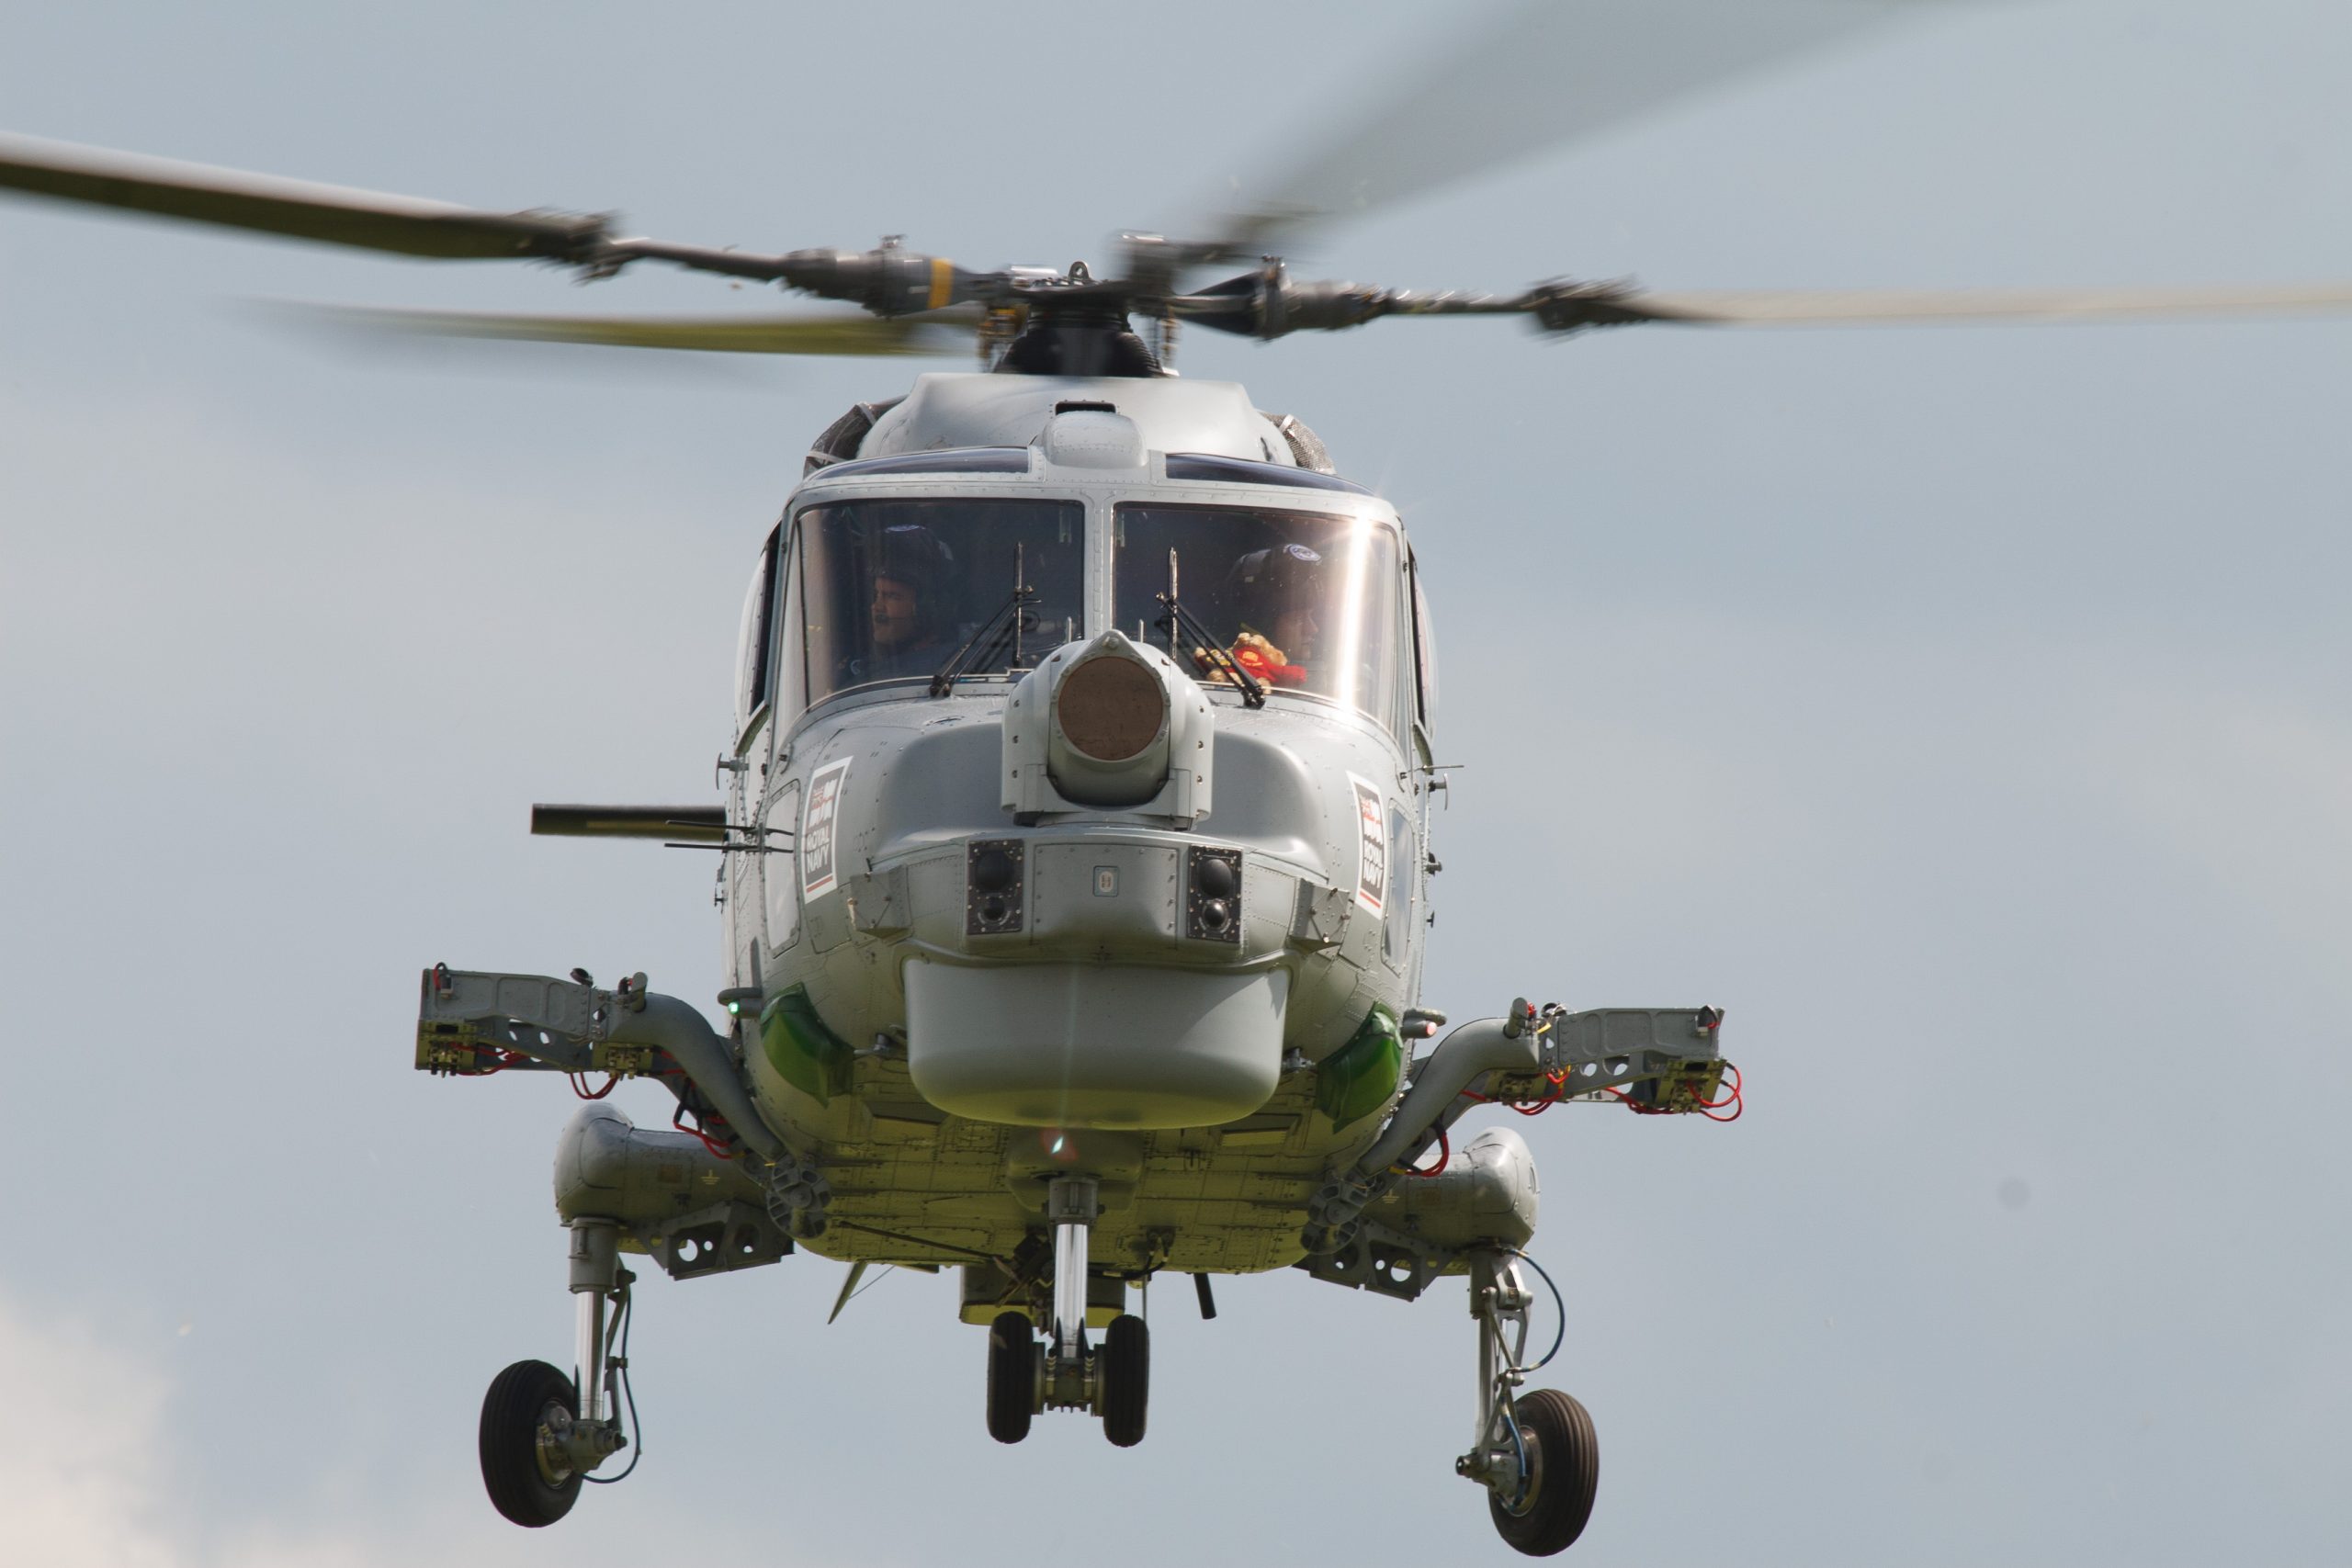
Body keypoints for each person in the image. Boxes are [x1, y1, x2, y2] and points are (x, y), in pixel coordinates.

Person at [841, 523, 961, 683]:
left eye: (892, 596)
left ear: (927, 609)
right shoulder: (860, 667)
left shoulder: (953, 667)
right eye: (877, 594)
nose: (877, 607)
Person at [1203, 542, 1324, 690]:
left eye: (1311, 616)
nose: (1313, 629)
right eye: (1297, 620)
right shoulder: (1214, 678)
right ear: (1261, 630)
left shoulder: (1342, 682)